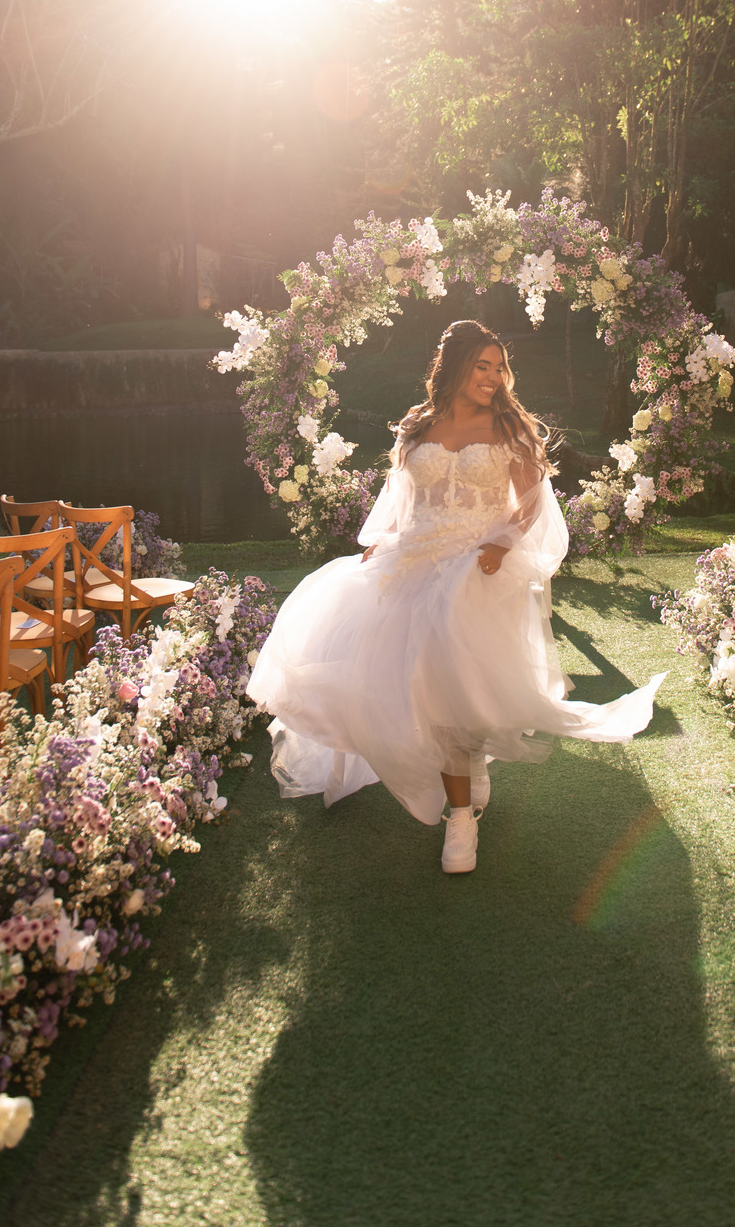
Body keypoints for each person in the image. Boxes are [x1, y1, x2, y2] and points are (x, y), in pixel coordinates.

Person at [246, 319, 666, 874]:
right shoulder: (417, 425)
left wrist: (500, 541)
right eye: (482, 366)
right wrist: (383, 543)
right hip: (412, 560)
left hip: (473, 569)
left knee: (449, 685)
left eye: (498, 368)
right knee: (412, 684)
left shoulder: (509, 428)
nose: (492, 377)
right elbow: (401, 498)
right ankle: (466, 771)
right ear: (455, 367)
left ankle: (461, 820)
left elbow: (532, 503)